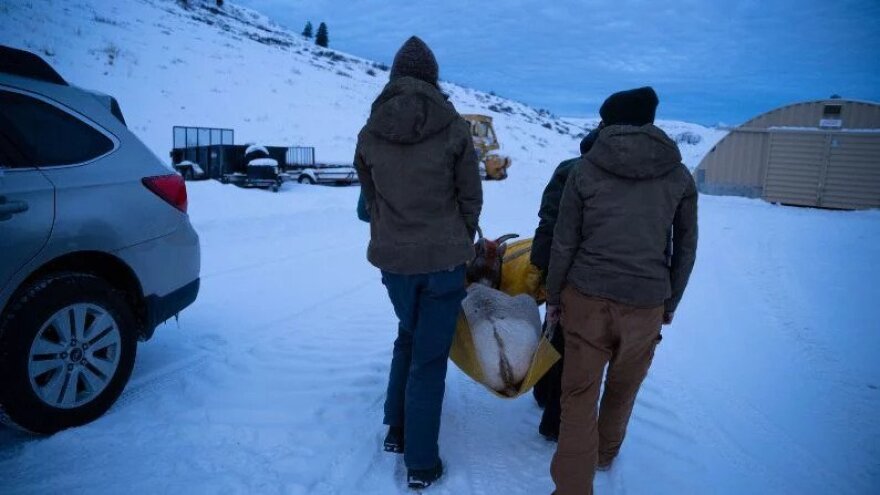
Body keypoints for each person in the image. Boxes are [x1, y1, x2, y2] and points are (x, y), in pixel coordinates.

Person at [544, 87, 698, 495]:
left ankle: (573, 487)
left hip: (586, 299)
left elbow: (564, 241)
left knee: (578, 393)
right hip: (646, 301)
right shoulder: (678, 175)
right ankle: (605, 454)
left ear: (609, 121)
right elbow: (686, 246)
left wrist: (554, 297)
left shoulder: (586, 169)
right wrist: (671, 301)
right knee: (624, 385)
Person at [353, 36, 483, 490]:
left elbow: (371, 201)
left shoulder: (370, 132)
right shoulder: (453, 128)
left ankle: (396, 428)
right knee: (430, 358)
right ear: (432, 77)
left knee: (407, 336)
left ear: (394, 77)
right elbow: (471, 196)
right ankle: (421, 463)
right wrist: (461, 239)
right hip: (444, 263)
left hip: (395, 265)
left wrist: (389, 235)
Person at [531, 126, 602, 442]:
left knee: (553, 329)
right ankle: (554, 422)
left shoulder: (566, 168)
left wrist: (542, 263)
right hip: (584, 269)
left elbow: (546, 216)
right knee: (574, 348)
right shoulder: (602, 177)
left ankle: (541, 390)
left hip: (557, 262)